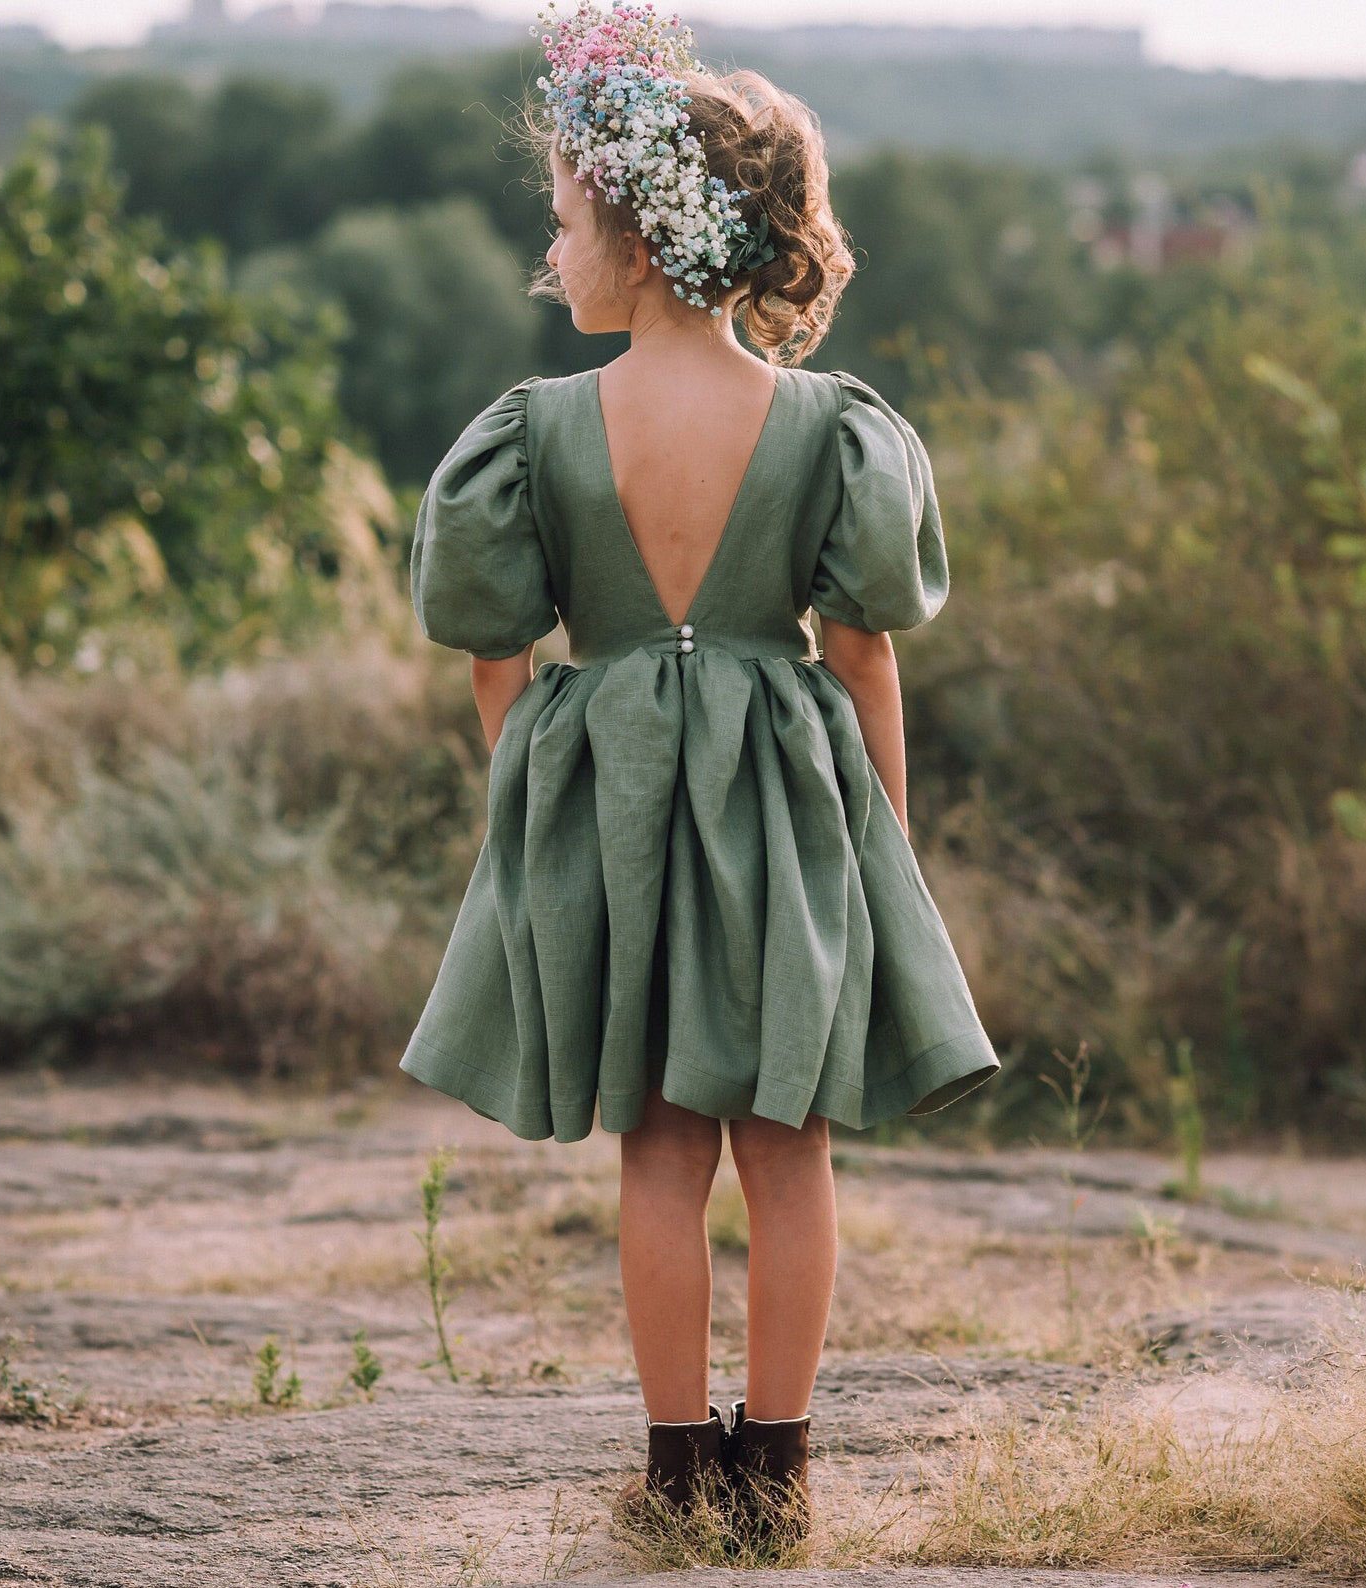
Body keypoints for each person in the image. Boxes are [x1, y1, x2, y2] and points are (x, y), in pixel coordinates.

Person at [400, 0, 1000, 1552]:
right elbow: (867, 653)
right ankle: (780, 1472)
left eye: (566, 223)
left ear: (645, 237)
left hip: (608, 808)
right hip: (788, 810)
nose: (554, 257)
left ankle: (677, 1474)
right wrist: (883, 839)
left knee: (658, 1146)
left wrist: (533, 795)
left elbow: (492, 650)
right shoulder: (829, 428)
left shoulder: (535, 432)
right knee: (786, 1147)